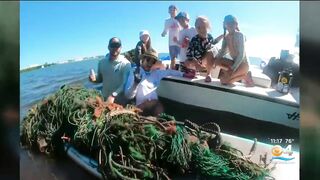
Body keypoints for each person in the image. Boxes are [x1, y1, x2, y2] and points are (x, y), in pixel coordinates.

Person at [124, 49, 183, 116]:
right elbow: (128, 96)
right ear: (143, 59)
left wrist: (183, 74)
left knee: (159, 109)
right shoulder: (135, 72)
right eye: (148, 60)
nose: (150, 63)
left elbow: (169, 71)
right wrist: (135, 83)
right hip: (140, 108)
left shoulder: (156, 73)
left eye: (153, 62)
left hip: (155, 107)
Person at [89, 37, 131, 105]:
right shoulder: (102, 62)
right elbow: (100, 79)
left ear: (121, 47)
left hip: (120, 100)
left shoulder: (126, 64)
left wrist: (113, 95)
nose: (115, 48)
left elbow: (124, 84)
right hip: (105, 98)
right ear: (108, 47)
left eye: (117, 45)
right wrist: (92, 79)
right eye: (112, 45)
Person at [214, 15, 253, 86]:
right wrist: (216, 59)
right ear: (224, 24)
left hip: (243, 65)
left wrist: (232, 69)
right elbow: (223, 51)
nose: (229, 24)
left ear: (236, 24)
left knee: (224, 81)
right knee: (217, 60)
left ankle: (245, 75)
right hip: (234, 63)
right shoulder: (226, 37)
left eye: (232, 22)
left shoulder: (240, 35)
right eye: (227, 23)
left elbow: (242, 54)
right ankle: (232, 73)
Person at [184, 16, 224, 82]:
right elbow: (189, 53)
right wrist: (196, 63)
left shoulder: (209, 37)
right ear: (196, 28)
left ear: (207, 27)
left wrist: (222, 35)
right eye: (198, 28)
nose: (201, 30)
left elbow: (214, 42)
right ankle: (194, 71)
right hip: (197, 61)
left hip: (206, 60)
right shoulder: (194, 39)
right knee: (186, 62)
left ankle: (208, 74)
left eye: (203, 27)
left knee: (210, 51)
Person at [161, 5, 181, 70]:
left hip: (180, 42)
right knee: (173, 58)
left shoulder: (180, 20)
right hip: (171, 43)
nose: (172, 11)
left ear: (176, 11)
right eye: (170, 10)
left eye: (174, 10)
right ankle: (172, 71)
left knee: (182, 57)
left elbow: (184, 29)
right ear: (168, 11)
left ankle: (183, 71)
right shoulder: (167, 21)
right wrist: (163, 34)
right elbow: (165, 30)